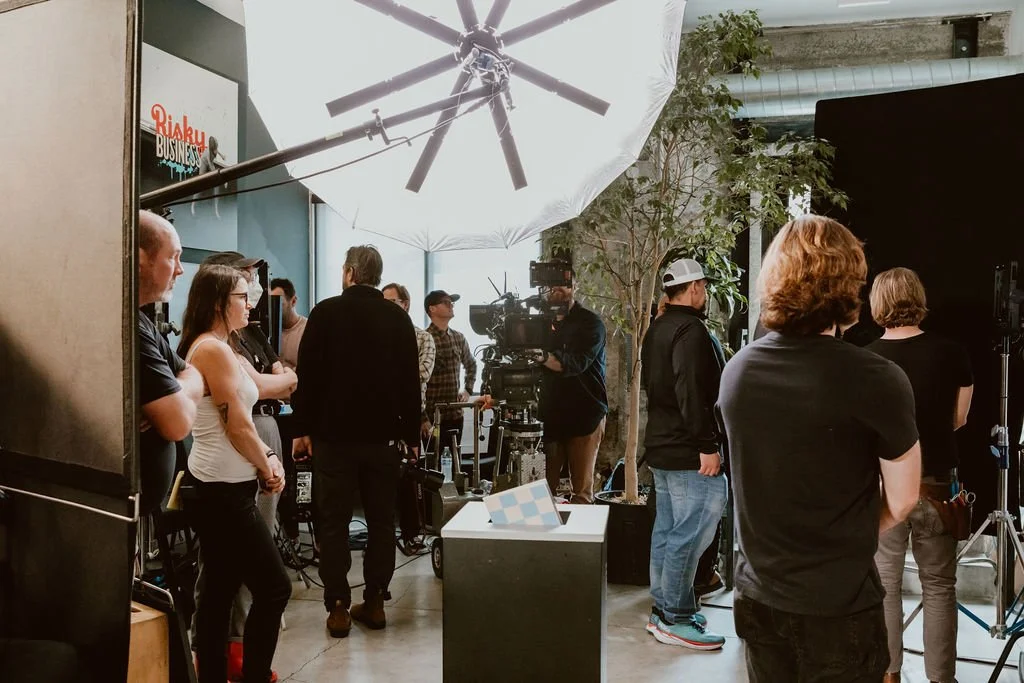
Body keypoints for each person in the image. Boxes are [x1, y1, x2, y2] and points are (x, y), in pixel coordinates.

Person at [718, 215, 922, 682]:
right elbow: (905, 497)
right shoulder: (876, 378)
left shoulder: (737, 372)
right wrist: (848, 531)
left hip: (758, 597)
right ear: (849, 283)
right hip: (838, 604)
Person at [291, 246, 421, 637]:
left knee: (333, 522)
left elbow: (307, 377)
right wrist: (412, 436)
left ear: (348, 272)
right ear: (377, 276)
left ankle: (337, 607)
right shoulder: (397, 318)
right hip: (384, 441)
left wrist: (301, 430)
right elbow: (409, 383)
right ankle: (377, 601)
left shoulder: (325, 312)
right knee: (382, 521)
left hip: (334, 439)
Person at [177, 264, 291, 683]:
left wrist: (264, 462)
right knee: (274, 587)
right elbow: (237, 424)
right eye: (243, 296)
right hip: (221, 492)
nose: (251, 301)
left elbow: (251, 404)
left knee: (221, 590)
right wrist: (267, 464)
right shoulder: (211, 349)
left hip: (228, 487)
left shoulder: (226, 345)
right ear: (219, 302)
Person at [868, 267, 973, 683]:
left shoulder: (864, 357)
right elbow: (958, 420)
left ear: (877, 304)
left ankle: (888, 675)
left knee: (886, 585)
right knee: (939, 586)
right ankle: (941, 679)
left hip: (881, 488)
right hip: (935, 485)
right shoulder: (952, 352)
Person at [641, 258, 728, 650]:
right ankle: (675, 617)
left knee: (668, 531)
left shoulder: (657, 328)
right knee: (690, 534)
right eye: (704, 288)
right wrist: (708, 446)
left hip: (661, 446)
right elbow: (691, 393)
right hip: (688, 451)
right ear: (693, 289)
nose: (705, 294)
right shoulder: (691, 332)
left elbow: (655, 388)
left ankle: (665, 609)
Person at [137, 210, 203, 515]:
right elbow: (177, 424)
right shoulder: (131, 331)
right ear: (140, 258)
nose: (180, 270)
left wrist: (174, 390)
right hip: (114, 514)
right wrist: (175, 399)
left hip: (139, 510)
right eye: (173, 258)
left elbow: (193, 374)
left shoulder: (143, 322)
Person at [534, 272, 608, 504]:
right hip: (550, 414)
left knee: (582, 492)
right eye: (551, 283)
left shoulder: (590, 323)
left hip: (584, 413)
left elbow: (575, 363)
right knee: (542, 490)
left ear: (574, 286)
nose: (558, 289)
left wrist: (543, 356)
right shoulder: (538, 324)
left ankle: (583, 537)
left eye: (565, 284)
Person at [383, 282, 436, 555]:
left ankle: (412, 534)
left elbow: (421, 374)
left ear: (405, 304)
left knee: (409, 480)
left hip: (413, 415)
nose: (387, 306)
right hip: (384, 418)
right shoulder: (377, 337)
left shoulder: (422, 338)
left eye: (392, 301)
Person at [422, 290, 477, 450]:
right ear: (432, 308)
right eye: (446, 302)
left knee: (454, 461)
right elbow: (415, 382)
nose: (451, 305)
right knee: (434, 465)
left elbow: (471, 365)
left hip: (455, 415)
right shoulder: (425, 339)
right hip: (433, 417)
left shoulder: (458, 337)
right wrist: (422, 419)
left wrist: (468, 389)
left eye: (451, 303)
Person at [269, 278, 307, 371]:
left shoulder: (307, 330)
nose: (274, 309)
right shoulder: (268, 331)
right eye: (271, 304)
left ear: (293, 301)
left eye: (279, 304)